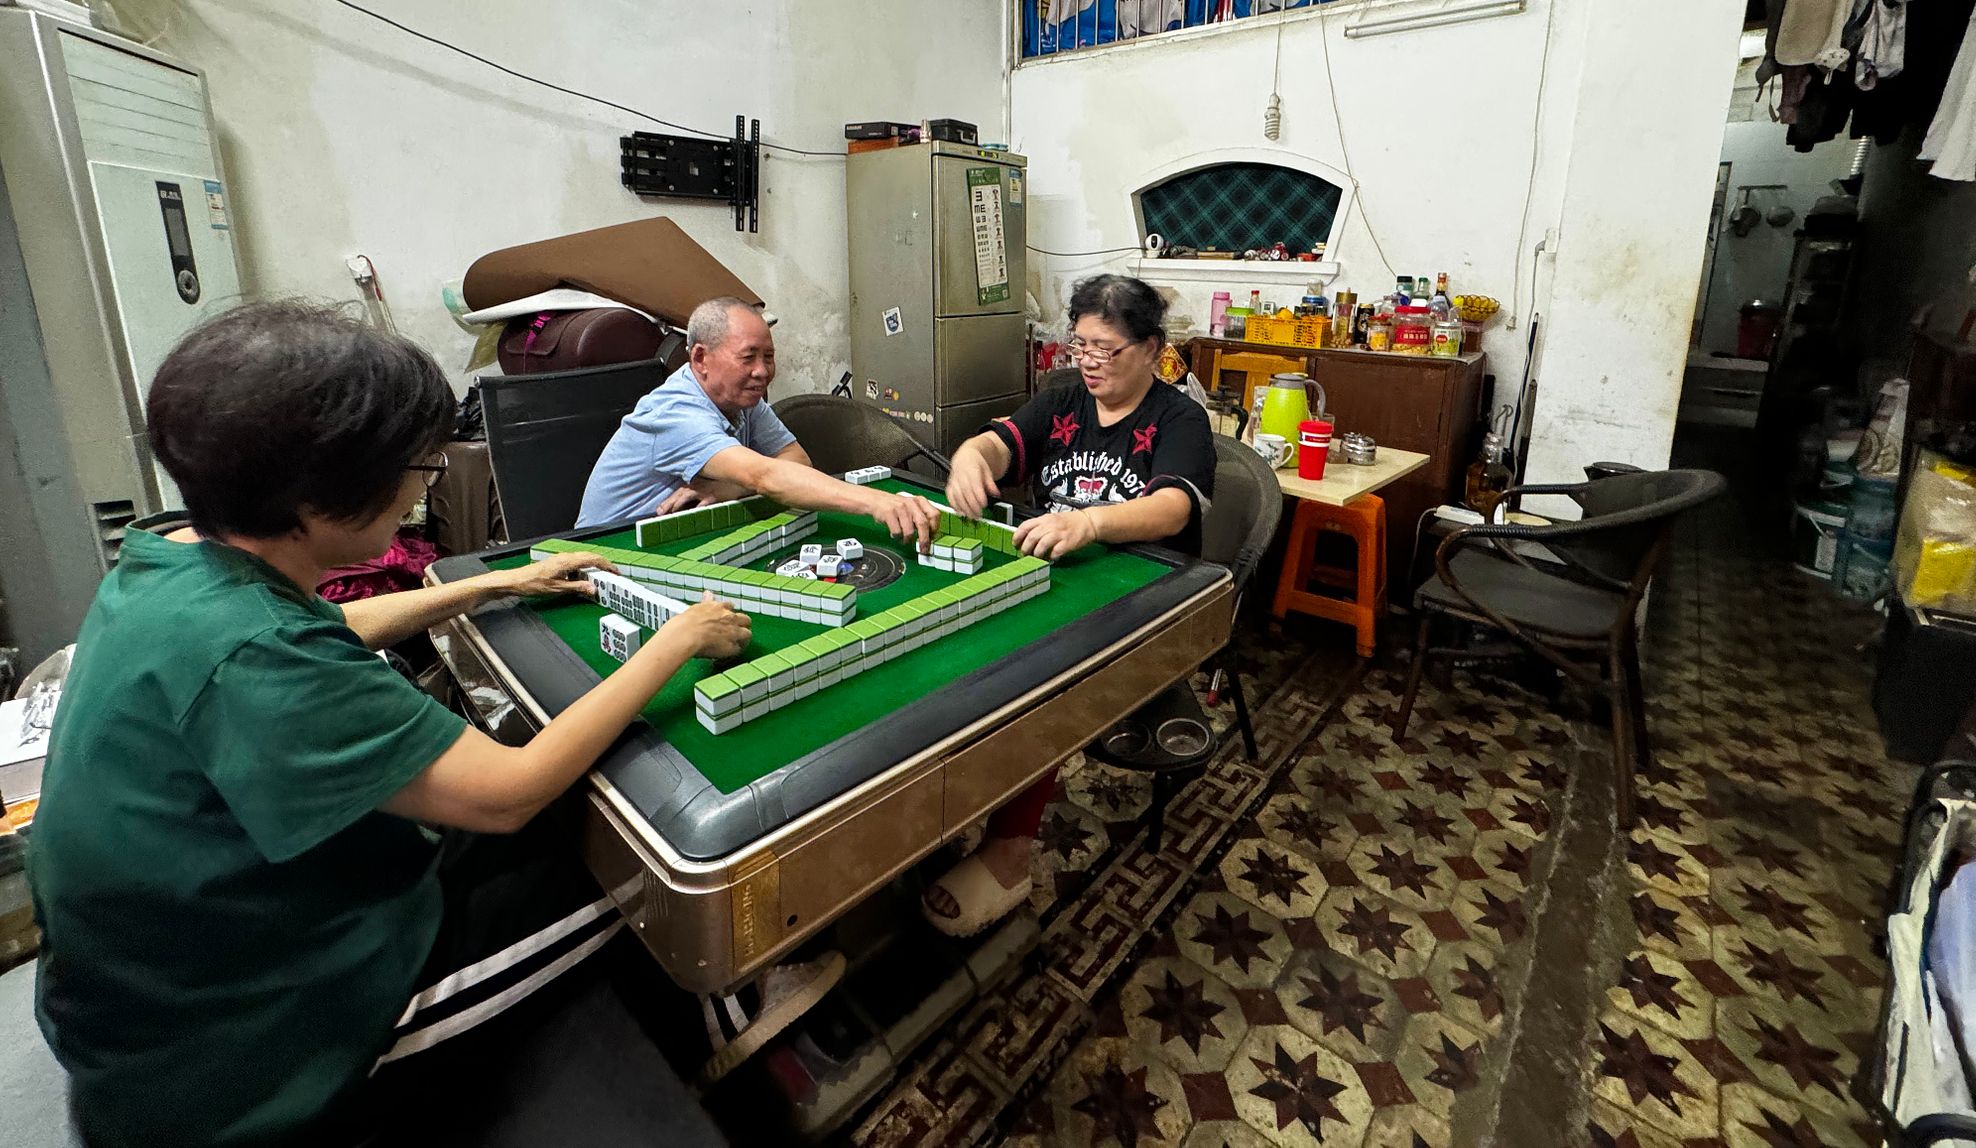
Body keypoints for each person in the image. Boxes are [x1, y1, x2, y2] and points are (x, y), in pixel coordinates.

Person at [28, 303, 757, 1148]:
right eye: (416, 467)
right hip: (249, 1047)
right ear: (316, 498)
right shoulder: (253, 658)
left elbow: (317, 629)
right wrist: (678, 640)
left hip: (184, 967)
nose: (423, 486)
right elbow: (509, 794)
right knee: (666, 879)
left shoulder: (174, 558)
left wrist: (491, 585)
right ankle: (747, 1043)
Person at [925, 274, 1216, 935]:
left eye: (1105, 349)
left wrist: (1089, 522)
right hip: (1057, 579)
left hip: (1139, 594)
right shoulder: (1062, 400)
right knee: (957, 652)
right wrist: (971, 458)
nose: (1088, 361)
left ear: (1151, 349)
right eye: (1079, 345)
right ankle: (944, 803)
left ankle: (1009, 855)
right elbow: (999, 441)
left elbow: (1173, 508)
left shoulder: (1179, 419)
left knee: (1037, 680)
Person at [577, 296, 938, 546]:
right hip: (609, 550)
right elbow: (765, 475)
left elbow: (797, 462)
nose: (762, 371)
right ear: (700, 358)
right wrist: (876, 502)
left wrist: (731, 489)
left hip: (679, 535)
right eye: (748, 357)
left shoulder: (741, 398)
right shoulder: (677, 413)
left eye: (768, 356)